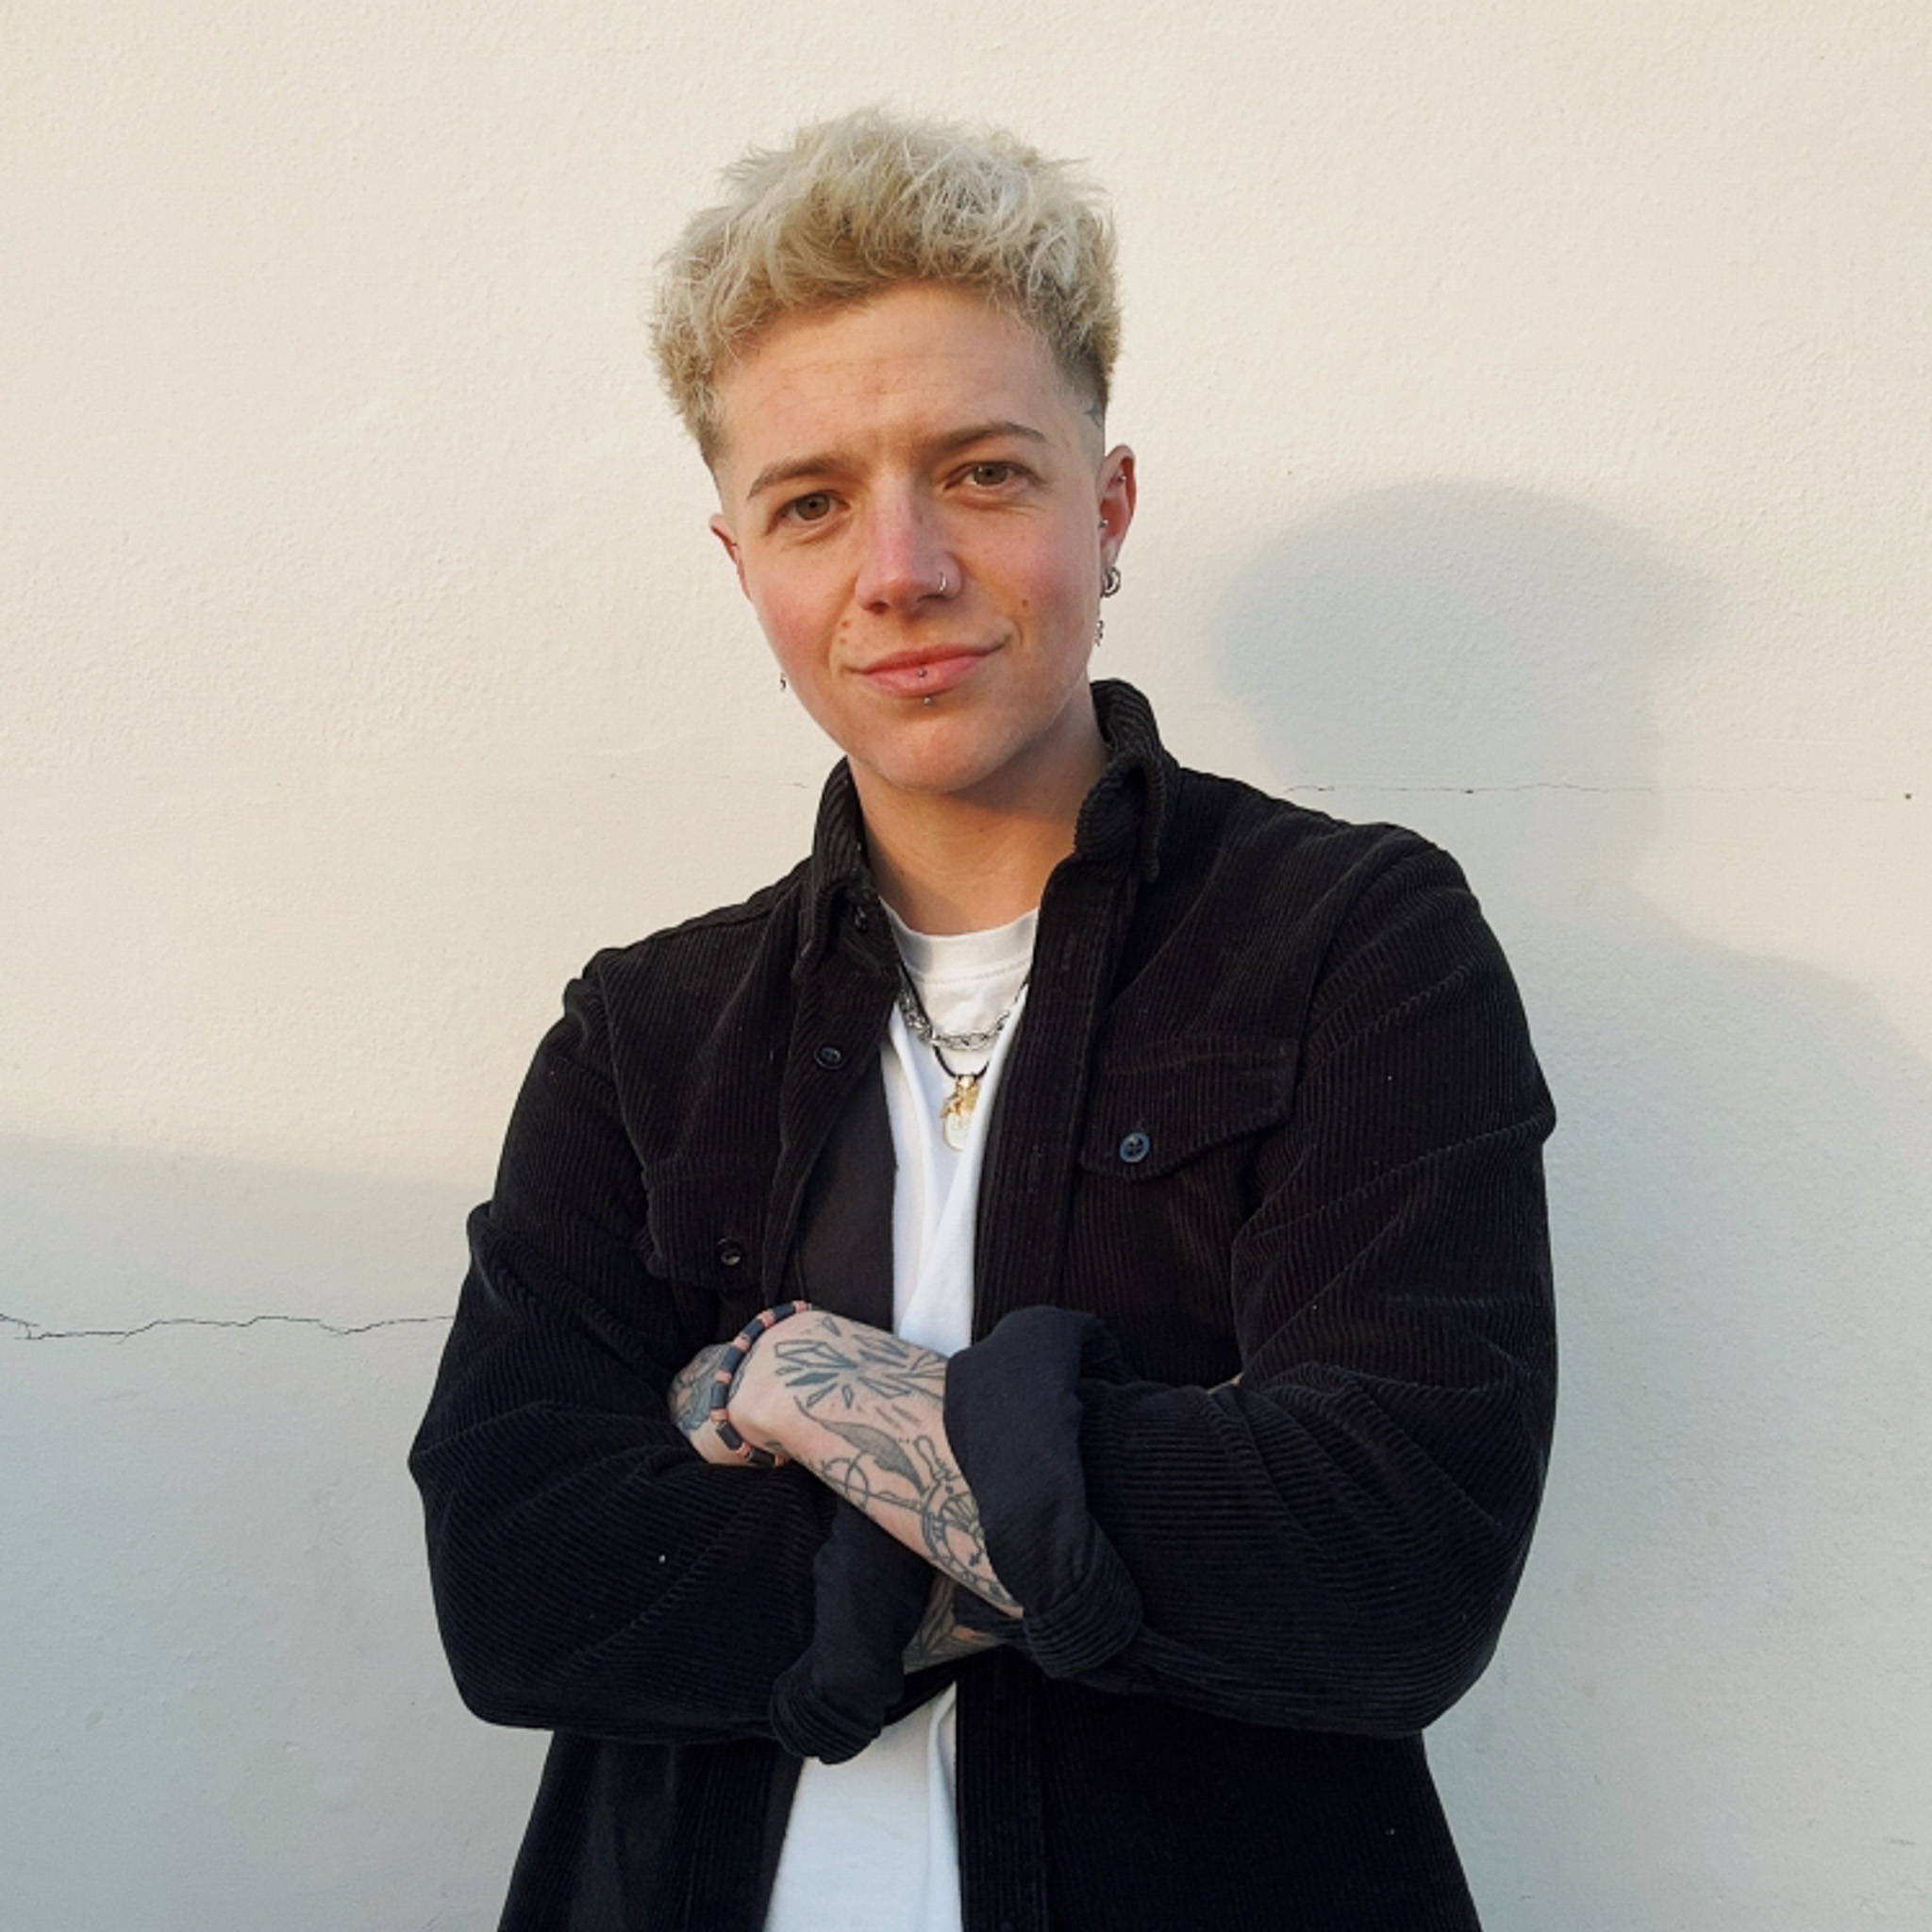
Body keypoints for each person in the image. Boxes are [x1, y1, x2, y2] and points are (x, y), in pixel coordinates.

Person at [408, 108, 1557, 1932]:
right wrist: (1081, 1488)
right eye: (812, 503)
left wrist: (799, 1387)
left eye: (982, 473)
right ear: (744, 569)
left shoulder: (1354, 941)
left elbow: (1389, 1561)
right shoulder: (644, 1033)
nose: (901, 568)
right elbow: (523, 1583)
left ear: (1105, 506)